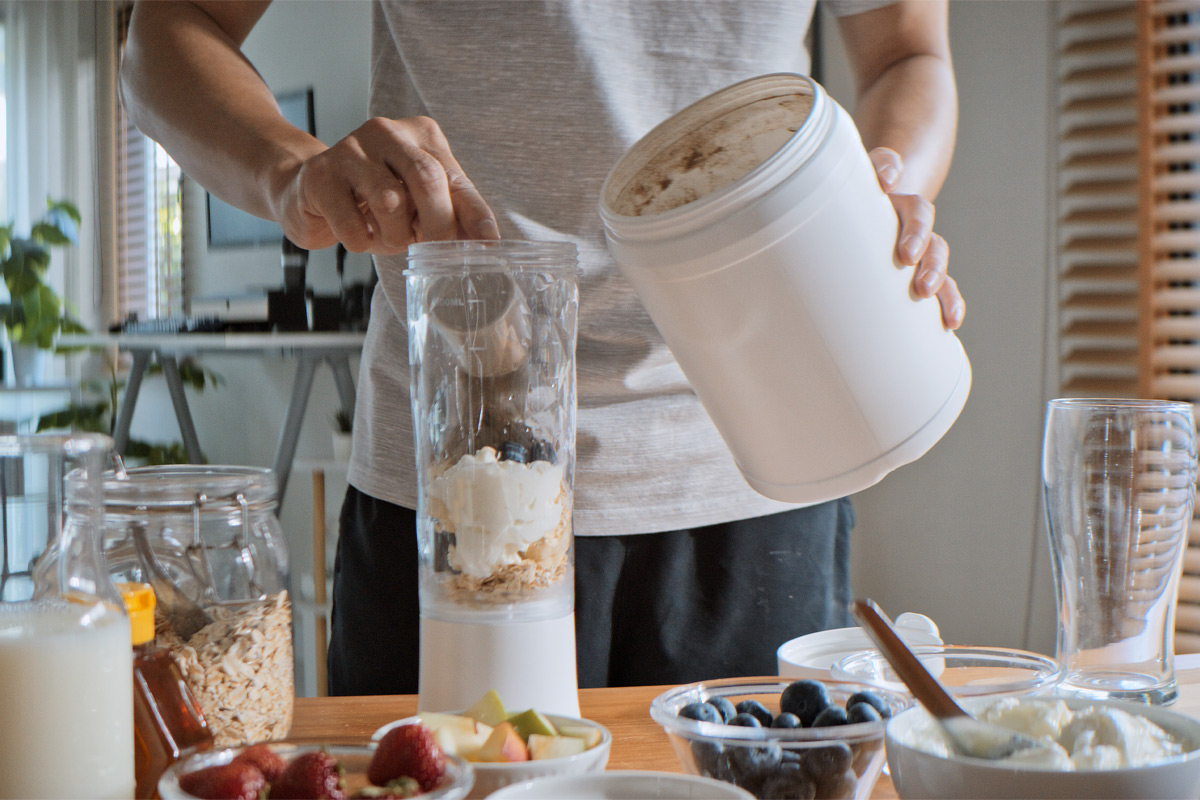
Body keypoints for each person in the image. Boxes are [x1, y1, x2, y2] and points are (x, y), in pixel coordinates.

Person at [120, 0, 962, 694]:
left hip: (758, 465)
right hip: (450, 482)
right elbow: (165, 30)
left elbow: (907, 53)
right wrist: (289, 173)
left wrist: (876, 195)